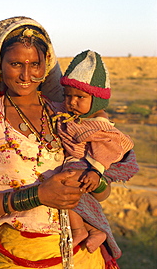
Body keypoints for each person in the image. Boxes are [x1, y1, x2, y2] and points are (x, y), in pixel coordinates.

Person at [0, 17, 138, 269]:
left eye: (35, 64)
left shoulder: (66, 113)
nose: (26, 74)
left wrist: (94, 179)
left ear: (47, 66)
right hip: (17, 255)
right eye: (16, 64)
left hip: (83, 254)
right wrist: (39, 195)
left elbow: (104, 193)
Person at [55, 50, 135, 255]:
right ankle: (94, 230)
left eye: (80, 97)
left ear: (97, 100)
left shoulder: (98, 124)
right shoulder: (74, 114)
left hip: (85, 165)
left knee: (65, 190)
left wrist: (96, 171)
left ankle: (81, 230)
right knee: (73, 199)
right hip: (75, 163)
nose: (72, 102)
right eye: (67, 96)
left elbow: (107, 149)